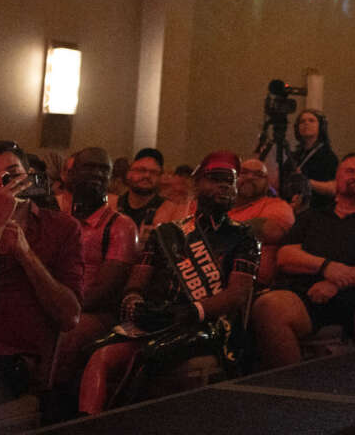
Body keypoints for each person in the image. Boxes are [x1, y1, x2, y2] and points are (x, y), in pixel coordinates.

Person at [77, 151, 259, 414]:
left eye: (229, 181)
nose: (224, 186)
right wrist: (135, 302)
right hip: (160, 319)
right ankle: (86, 423)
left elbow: (237, 295)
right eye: (215, 179)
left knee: (150, 355)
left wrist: (192, 310)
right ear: (198, 185)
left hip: (210, 325)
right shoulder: (167, 233)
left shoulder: (243, 237)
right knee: (96, 353)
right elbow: (137, 282)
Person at [251, 152, 355, 369]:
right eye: (350, 171)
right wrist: (326, 267)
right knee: (268, 306)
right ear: (336, 180)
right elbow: (286, 257)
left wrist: (339, 281)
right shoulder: (311, 218)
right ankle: (291, 388)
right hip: (308, 296)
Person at [0, 140, 82, 398]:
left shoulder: (61, 228)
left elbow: (70, 317)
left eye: (13, 174)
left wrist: (25, 254)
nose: (5, 183)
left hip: (15, 358)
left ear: (30, 178)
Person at [51, 148, 139, 389]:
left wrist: (58, 309)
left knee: (68, 333)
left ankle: (51, 408)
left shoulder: (120, 225)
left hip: (93, 312)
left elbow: (105, 289)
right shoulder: (57, 218)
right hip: (54, 301)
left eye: (104, 170)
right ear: (71, 175)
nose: (98, 174)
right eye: (90, 167)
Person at [228, 158, 295, 287]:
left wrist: (219, 233)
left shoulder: (277, 205)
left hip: (251, 285)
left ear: (267, 183)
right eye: (244, 172)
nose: (250, 177)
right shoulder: (220, 207)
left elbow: (270, 230)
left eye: (258, 175)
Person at [282, 109, 338, 211]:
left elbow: (334, 188)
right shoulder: (294, 156)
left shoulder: (328, 156)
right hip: (291, 209)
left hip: (318, 210)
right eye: (302, 121)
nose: (306, 123)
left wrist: (306, 182)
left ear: (321, 127)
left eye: (311, 120)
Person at [110, 148, 166, 237]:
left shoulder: (168, 211)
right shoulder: (112, 206)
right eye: (141, 170)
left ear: (160, 177)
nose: (147, 176)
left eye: (153, 172)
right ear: (129, 174)